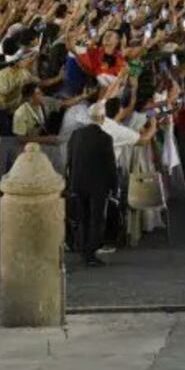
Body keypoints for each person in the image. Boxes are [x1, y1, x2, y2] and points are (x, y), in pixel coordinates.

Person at [67, 103, 118, 266]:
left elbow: (70, 159)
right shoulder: (105, 138)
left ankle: (83, 250)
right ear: (102, 118)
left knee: (83, 218)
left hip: (78, 182)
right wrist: (114, 187)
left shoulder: (76, 135)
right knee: (96, 219)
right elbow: (110, 166)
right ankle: (90, 254)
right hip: (98, 186)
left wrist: (71, 181)